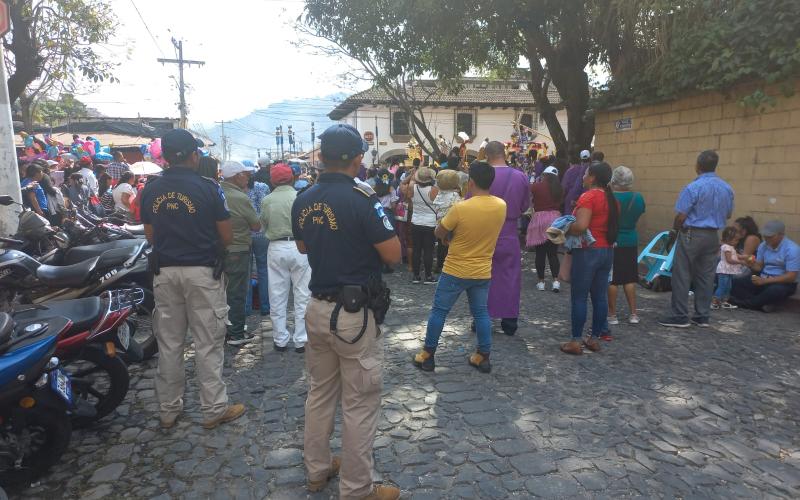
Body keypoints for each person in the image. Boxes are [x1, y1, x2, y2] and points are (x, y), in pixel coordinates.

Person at [292, 124, 400, 500]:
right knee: (359, 403)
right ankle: (357, 489)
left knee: (319, 393)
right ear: (357, 159)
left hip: (318, 309)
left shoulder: (303, 198)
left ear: (320, 157)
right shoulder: (363, 198)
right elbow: (393, 254)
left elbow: (304, 247)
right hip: (354, 315)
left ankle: (317, 471)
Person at [140, 128, 245, 430]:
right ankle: (213, 409)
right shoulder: (209, 188)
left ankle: (169, 410)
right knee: (208, 342)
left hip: (165, 272)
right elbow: (226, 235)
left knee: (170, 343)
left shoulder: (151, 188)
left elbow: (150, 234)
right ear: (193, 155)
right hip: (202, 273)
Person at [413, 161, 506, 374]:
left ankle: (427, 355)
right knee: (481, 313)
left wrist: (449, 237)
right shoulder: (501, 205)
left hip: (455, 269)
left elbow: (439, 232)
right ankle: (483, 356)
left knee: (439, 311)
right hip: (482, 270)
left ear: (471, 182)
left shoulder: (460, 208)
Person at [659, 150, 734, 328]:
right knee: (706, 276)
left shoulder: (693, 187)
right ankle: (702, 315)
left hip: (692, 232)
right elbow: (728, 213)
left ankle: (680, 315)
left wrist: (674, 231)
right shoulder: (726, 188)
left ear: (697, 166)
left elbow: (681, 216)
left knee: (682, 274)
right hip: (713, 234)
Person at [561, 162, 618, 355]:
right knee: (599, 296)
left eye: (585, 174)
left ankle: (576, 340)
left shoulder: (588, 196)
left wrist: (564, 228)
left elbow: (582, 226)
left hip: (587, 251)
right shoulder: (612, 199)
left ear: (592, 177)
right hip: (606, 251)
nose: (583, 177)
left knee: (579, 297)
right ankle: (594, 338)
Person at [260, 163, 309, 352]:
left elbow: (263, 224)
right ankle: (301, 339)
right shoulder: (300, 197)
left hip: (276, 247)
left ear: (272, 181)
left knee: (277, 295)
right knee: (303, 294)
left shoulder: (267, 200)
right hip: (300, 247)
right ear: (293, 178)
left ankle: (280, 339)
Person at [484, 140, 531, 336]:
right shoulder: (520, 177)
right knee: (510, 276)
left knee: (483, 276)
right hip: (509, 231)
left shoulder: (483, 176)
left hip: (485, 233)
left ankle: (482, 317)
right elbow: (524, 205)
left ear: (487, 155)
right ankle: (509, 320)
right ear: (504, 153)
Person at [219, 161, 261, 346]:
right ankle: (236, 333)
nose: (248, 177)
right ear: (237, 176)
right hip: (237, 249)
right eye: (245, 174)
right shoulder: (238, 196)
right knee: (236, 292)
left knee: (222, 291)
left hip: (219, 250)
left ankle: (226, 328)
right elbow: (256, 224)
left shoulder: (216, 191)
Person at [607, 166, 646, 328]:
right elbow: (641, 211)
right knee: (629, 277)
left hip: (613, 240)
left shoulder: (609, 198)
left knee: (612, 280)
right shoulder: (638, 198)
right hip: (631, 239)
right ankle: (633, 314)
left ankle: (613, 314)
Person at [731, 220, 799, 312]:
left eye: (770, 236)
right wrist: (750, 263)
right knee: (735, 283)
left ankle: (748, 304)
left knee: (775, 291)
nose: (767, 238)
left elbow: (791, 277)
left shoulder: (792, 249)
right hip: (763, 278)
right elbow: (759, 267)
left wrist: (765, 281)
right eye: (765, 236)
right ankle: (762, 303)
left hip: (782, 282)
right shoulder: (763, 245)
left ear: (781, 235)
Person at [526, 165, 563, 292]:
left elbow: (529, 194)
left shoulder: (537, 186)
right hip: (555, 220)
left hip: (540, 220)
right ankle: (556, 281)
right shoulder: (559, 189)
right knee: (553, 253)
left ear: (544, 175)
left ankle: (541, 282)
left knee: (540, 253)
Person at [401, 165, 439, 284]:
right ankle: (428, 276)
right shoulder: (434, 190)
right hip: (430, 223)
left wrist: (411, 176)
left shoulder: (413, 188)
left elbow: (402, 184)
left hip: (415, 222)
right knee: (428, 250)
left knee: (416, 249)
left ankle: (416, 276)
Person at [246, 168, 271, 318]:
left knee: (247, 272)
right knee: (263, 270)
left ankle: (247, 308)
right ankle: (265, 306)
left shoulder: (237, 189)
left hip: (246, 233)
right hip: (261, 232)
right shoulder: (263, 187)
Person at [432, 169, 462, 273]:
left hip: (440, 224)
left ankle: (440, 265)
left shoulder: (439, 195)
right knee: (449, 247)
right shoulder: (454, 196)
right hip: (452, 225)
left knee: (441, 245)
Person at [712, 226, 746, 310]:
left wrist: (744, 257)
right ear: (728, 239)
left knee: (728, 286)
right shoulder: (726, 247)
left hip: (729, 270)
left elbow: (735, 255)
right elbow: (729, 259)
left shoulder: (731, 247)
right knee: (722, 286)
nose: (737, 242)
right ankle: (715, 301)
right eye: (735, 240)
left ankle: (724, 301)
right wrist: (740, 262)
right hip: (724, 270)